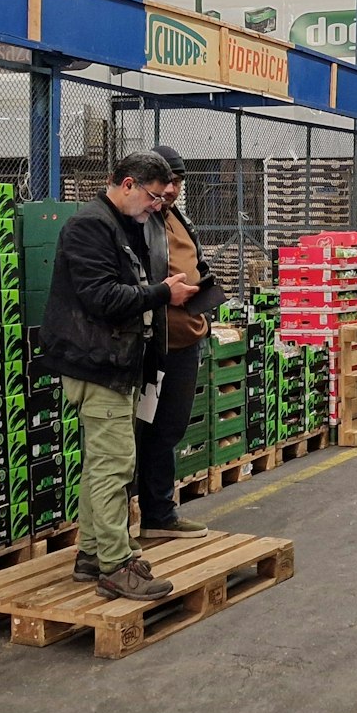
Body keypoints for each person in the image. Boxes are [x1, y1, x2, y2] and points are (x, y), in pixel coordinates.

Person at [40, 150, 199, 601]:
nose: (157, 205)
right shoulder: (91, 225)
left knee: (101, 463)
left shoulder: (121, 225)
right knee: (114, 466)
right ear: (127, 184)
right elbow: (102, 298)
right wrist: (161, 293)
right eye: (151, 196)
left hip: (115, 361)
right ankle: (114, 565)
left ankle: (92, 552)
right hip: (96, 362)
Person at [133, 144, 220, 539]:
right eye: (164, 181)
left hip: (188, 338)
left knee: (170, 428)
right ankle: (149, 514)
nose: (170, 189)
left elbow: (191, 262)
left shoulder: (177, 217)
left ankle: (160, 513)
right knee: (145, 430)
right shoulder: (138, 220)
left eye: (177, 181)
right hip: (156, 344)